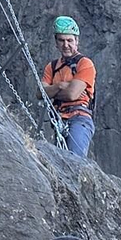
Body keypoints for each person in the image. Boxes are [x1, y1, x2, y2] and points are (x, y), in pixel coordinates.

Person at [41, 16, 97, 158]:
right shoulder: (52, 67)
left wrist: (52, 91)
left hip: (79, 119)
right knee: (61, 163)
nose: (66, 45)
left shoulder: (85, 64)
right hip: (60, 120)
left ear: (76, 42)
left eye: (70, 40)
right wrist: (61, 85)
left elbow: (71, 94)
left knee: (74, 161)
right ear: (56, 43)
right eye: (62, 40)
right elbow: (40, 92)